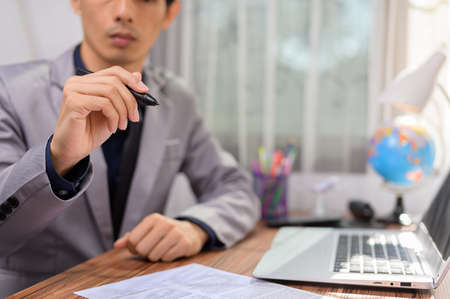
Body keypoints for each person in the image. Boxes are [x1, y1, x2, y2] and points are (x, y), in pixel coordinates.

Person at [0, 0, 260, 296]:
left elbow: (237, 188)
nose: (124, 10)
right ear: (76, 2)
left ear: (170, 12)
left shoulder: (177, 99)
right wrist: (58, 158)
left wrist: (196, 227)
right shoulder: (8, 90)